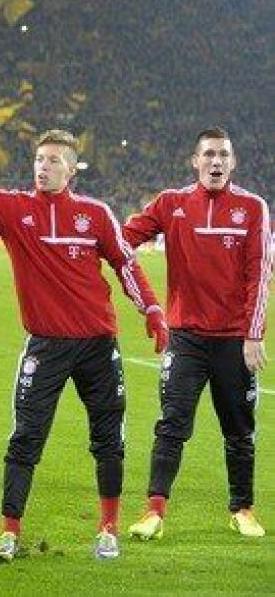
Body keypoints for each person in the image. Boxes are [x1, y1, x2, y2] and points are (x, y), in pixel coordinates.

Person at [0, 129, 168, 561]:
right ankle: (9, 532)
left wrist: (152, 309)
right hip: (45, 346)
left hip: (98, 345)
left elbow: (126, 263)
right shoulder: (14, 209)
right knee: (26, 438)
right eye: (39, 160)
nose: (43, 168)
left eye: (53, 161)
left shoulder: (95, 214)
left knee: (108, 438)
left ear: (71, 170)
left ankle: (108, 528)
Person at [124, 127, 271, 540]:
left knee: (239, 431)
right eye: (208, 154)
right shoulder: (171, 203)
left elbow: (259, 274)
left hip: (233, 340)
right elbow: (121, 239)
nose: (216, 161)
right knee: (172, 424)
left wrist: (253, 334)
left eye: (223, 154)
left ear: (233, 162)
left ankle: (242, 509)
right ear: (195, 161)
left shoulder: (252, 208)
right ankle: (154, 511)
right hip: (185, 337)